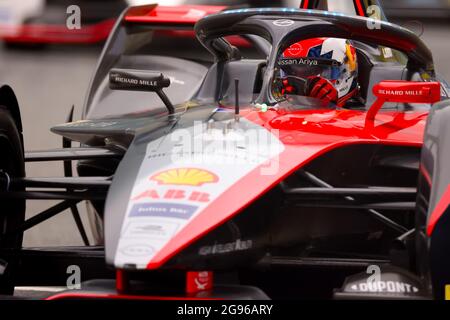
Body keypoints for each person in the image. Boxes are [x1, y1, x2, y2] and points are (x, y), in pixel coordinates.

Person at [277, 37, 360, 107]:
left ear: (344, 71)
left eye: (312, 72)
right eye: (292, 73)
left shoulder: (361, 117)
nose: (301, 85)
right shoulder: (275, 113)